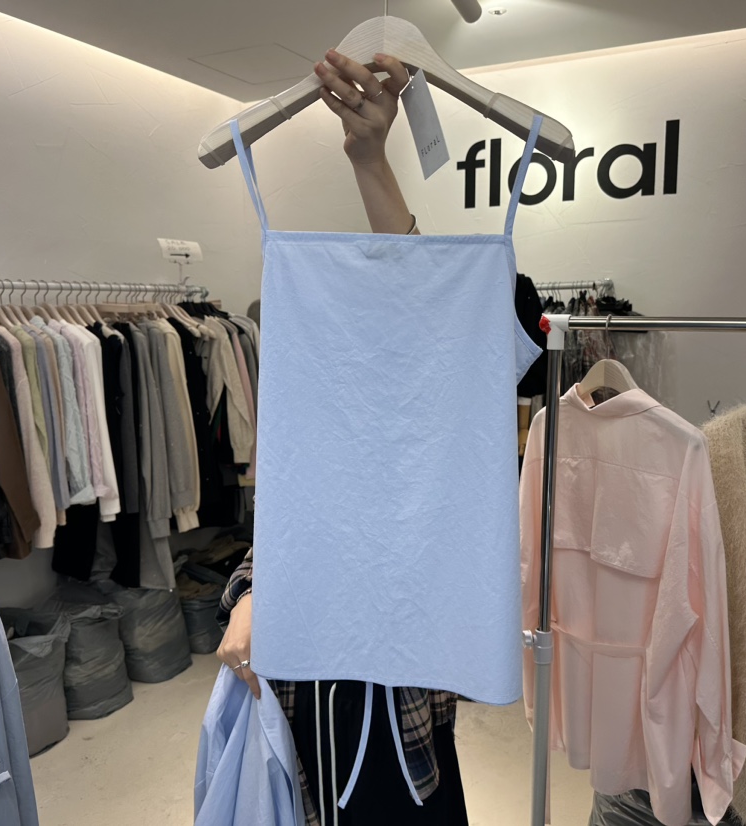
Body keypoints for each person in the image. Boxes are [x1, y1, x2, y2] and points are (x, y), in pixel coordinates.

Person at [216, 50, 468, 826]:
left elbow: (430, 308)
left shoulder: (427, 417)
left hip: (403, 712)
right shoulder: (310, 407)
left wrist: (370, 161)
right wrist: (249, 598)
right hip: (305, 699)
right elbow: (280, 528)